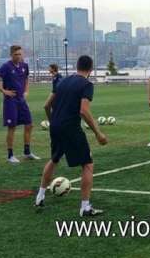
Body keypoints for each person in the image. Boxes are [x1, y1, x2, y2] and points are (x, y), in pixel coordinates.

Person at [35, 55, 108, 216]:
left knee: (54, 159)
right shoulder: (87, 84)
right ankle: (85, 207)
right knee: (87, 164)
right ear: (90, 69)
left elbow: (47, 105)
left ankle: (40, 196)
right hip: (70, 128)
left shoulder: (63, 81)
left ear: (77, 66)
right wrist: (98, 133)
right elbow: (84, 111)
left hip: (55, 126)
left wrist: (53, 122)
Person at [0, 45, 40, 164]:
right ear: (11, 55)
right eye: (16, 54)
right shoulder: (6, 66)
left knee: (29, 124)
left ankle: (27, 152)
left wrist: (26, 91)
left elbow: (26, 79)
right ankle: (10, 155)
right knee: (12, 127)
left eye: (20, 54)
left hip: (21, 100)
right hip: (10, 101)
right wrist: (4, 91)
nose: (18, 56)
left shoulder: (24, 66)